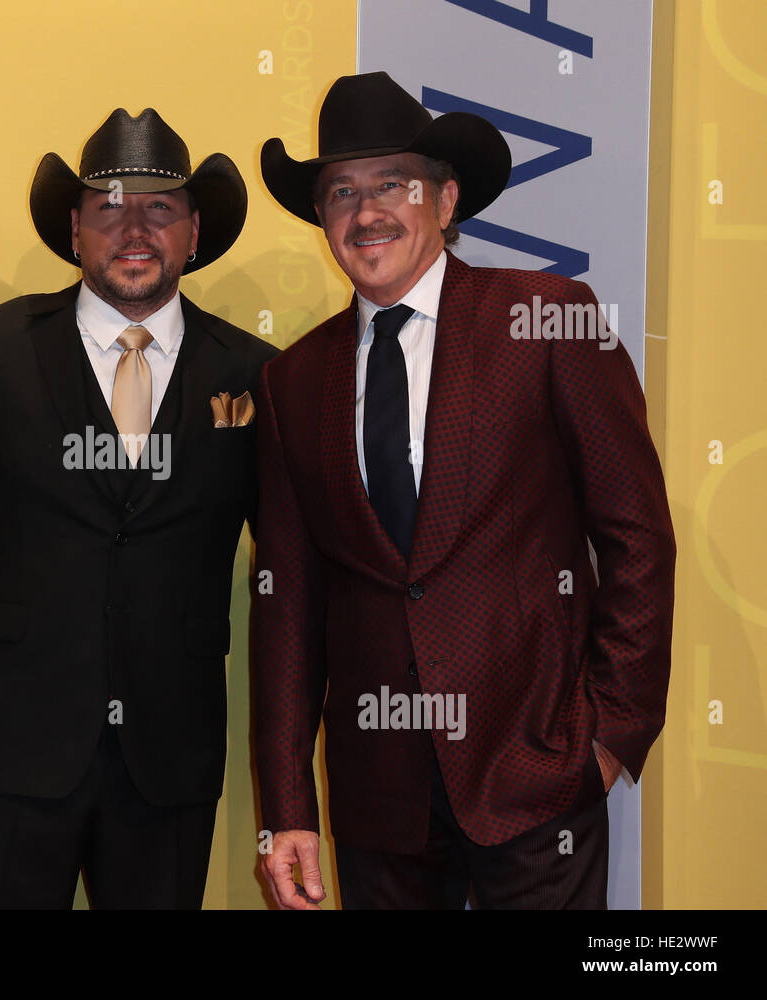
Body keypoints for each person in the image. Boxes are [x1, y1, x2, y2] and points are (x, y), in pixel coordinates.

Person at [252, 71, 676, 909]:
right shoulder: (291, 382)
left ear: (445, 202)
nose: (365, 211)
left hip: (539, 775)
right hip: (380, 805)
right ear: (322, 218)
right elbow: (289, 604)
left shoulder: (550, 319)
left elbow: (636, 536)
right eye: (341, 190)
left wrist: (610, 735)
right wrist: (289, 808)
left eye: (393, 185)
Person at [0, 108, 278, 908]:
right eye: (108, 205)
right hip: (7, 757)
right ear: (75, 228)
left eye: (159, 207)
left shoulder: (258, 375)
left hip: (171, 764)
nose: (134, 226)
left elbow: (295, 574)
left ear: (194, 231)